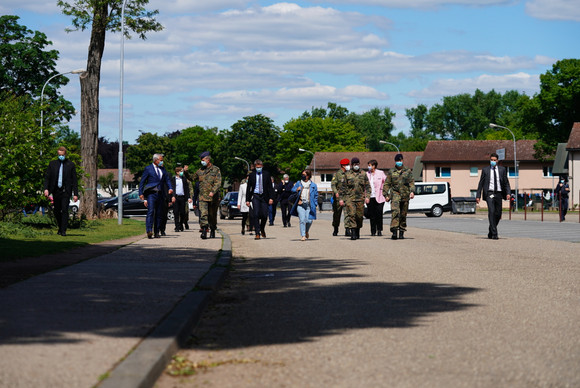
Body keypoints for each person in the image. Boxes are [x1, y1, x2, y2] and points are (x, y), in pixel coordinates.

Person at [184, 151, 222, 239]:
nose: (202, 161)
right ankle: (204, 230)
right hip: (202, 197)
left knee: (212, 215)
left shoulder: (216, 170)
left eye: (203, 159)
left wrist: (213, 191)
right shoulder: (200, 171)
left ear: (208, 160)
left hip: (213, 198)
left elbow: (218, 182)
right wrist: (186, 172)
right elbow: (192, 178)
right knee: (203, 214)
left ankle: (212, 229)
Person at [43, 146, 79, 236]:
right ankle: (60, 227)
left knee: (64, 210)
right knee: (57, 210)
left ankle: (63, 230)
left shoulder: (70, 165)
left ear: (65, 154)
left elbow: (74, 180)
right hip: (56, 190)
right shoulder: (52, 164)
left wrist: (75, 194)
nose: (61, 156)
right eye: (59, 155)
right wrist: (46, 189)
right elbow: (47, 177)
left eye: (62, 155)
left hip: (65, 191)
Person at [476, 152, 511, 240]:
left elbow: (506, 182)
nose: (493, 161)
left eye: (494, 160)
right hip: (489, 193)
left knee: (498, 214)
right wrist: (478, 195)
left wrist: (508, 193)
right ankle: (495, 234)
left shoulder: (502, 170)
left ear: (497, 161)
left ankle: (491, 230)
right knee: (491, 211)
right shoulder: (485, 170)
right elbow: (481, 183)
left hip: (499, 193)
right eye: (491, 160)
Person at [139, 153, 173, 239]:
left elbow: (167, 180)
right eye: (161, 160)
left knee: (159, 213)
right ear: (156, 160)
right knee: (151, 211)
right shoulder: (148, 169)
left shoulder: (162, 169)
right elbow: (142, 182)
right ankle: (149, 230)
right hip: (151, 194)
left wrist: (170, 188)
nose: (162, 162)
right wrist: (141, 193)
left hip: (160, 194)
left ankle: (156, 231)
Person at [383, 153, 415, 240]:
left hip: (405, 195)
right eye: (397, 161)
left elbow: (411, 182)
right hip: (395, 194)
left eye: (400, 160)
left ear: (402, 160)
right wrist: (386, 195)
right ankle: (394, 231)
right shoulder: (391, 172)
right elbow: (387, 184)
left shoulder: (407, 171)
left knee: (403, 214)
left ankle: (401, 231)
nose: (399, 162)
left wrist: (412, 191)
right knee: (395, 212)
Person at [245, 159, 275, 240]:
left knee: (265, 215)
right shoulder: (252, 175)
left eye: (260, 167)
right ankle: (257, 233)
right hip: (255, 196)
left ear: (262, 166)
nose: (259, 168)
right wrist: (247, 200)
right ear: (255, 167)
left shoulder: (266, 174)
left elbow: (270, 187)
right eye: (257, 167)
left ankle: (262, 228)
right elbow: (249, 188)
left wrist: (271, 198)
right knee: (256, 214)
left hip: (264, 196)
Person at [344, 157, 370, 240]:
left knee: (359, 216)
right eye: (354, 164)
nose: (356, 166)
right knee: (351, 215)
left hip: (360, 198)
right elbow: (343, 188)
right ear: (352, 165)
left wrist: (368, 197)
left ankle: (357, 230)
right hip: (350, 198)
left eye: (357, 164)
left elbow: (368, 186)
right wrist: (342, 198)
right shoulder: (347, 174)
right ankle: (353, 232)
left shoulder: (363, 173)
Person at [290, 169, 318, 241]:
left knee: (309, 221)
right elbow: (292, 190)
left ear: (308, 176)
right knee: (302, 220)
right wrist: (296, 189)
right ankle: (303, 235)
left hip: (309, 204)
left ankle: (306, 231)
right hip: (300, 204)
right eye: (302, 174)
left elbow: (316, 195)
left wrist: (315, 203)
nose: (303, 176)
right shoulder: (299, 183)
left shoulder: (313, 185)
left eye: (304, 175)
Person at [366, 159, 387, 236]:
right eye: (368, 165)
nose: (368, 167)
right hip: (370, 197)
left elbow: (387, 182)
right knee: (372, 215)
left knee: (379, 214)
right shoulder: (366, 174)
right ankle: (373, 231)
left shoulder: (381, 173)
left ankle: (379, 230)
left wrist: (386, 193)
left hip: (379, 197)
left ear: (374, 166)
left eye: (370, 165)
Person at [331, 158, 350, 236]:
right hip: (338, 198)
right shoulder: (337, 174)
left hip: (348, 197)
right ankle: (336, 228)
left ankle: (347, 229)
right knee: (337, 214)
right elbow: (333, 184)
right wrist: (336, 192)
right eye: (347, 165)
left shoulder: (350, 174)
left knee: (348, 214)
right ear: (343, 165)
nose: (348, 166)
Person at [171, 166, 191, 232]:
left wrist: (188, 197)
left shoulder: (184, 179)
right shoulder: (173, 179)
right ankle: (177, 226)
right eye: (181, 171)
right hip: (176, 197)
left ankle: (181, 223)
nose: (182, 172)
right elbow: (172, 188)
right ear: (177, 172)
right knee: (176, 212)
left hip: (182, 197)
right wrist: (172, 196)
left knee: (183, 212)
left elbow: (186, 189)